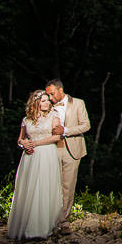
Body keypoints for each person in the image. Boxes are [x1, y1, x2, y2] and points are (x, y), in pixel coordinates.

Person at [7, 90, 63, 240]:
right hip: (29, 157)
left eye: (48, 100)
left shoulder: (53, 116)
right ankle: (25, 225)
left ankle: (41, 227)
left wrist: (36, 143)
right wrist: (24, 144)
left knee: (43, 188)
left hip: (46, 154)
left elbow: (56, 136)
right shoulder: (26, 119)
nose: (47, 103)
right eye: (43, 100)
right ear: (35, 102)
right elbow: (20, 139)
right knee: (29, 188)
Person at [45, 78, 90, 233]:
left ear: (60, 90)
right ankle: (50, 220)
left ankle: (64, 222)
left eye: (51, 94)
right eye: (48, 95)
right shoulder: (47, 105)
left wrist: (65, 130)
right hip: (52, 148)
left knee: (68, 186)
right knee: (51, 185)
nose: (50, 98)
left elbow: (86, 125)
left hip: (72, 149)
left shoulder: (78, 103)